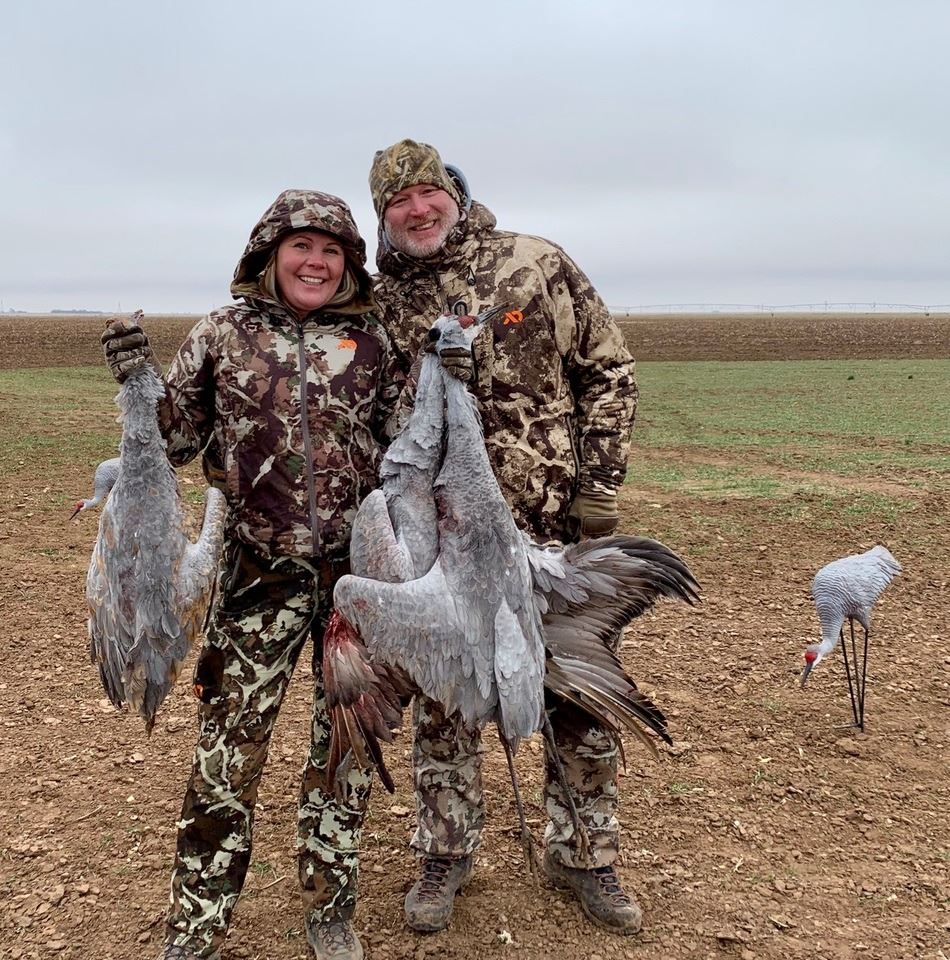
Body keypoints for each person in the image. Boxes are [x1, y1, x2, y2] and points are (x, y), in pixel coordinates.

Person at [101, 190, 402, 960]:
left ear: (349, 263)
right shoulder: (222, 334)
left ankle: (330, 909)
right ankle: (197, 925)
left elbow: (410, 449)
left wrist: (451, 376)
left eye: (332, 250)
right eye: (301, 247)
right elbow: (171, 443)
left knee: (345, 754)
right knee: (226, 758)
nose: (316, 262)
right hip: (253, 580)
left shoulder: (374, 343)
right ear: (270, 253)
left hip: (354, 587)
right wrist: (137, 383)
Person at [368, 139, 643, 937]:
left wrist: (599, 487)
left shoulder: (534, 264)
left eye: (428, 193)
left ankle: (585, 854)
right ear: (384, 217)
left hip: (552, 535)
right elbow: (375, 417)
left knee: (575, 695)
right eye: (398, 202)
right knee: (446, 701)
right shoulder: (382, 305)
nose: (418, 210)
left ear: (453, 194)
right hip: (445, 549)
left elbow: (607, 370)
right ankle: (445, 853)